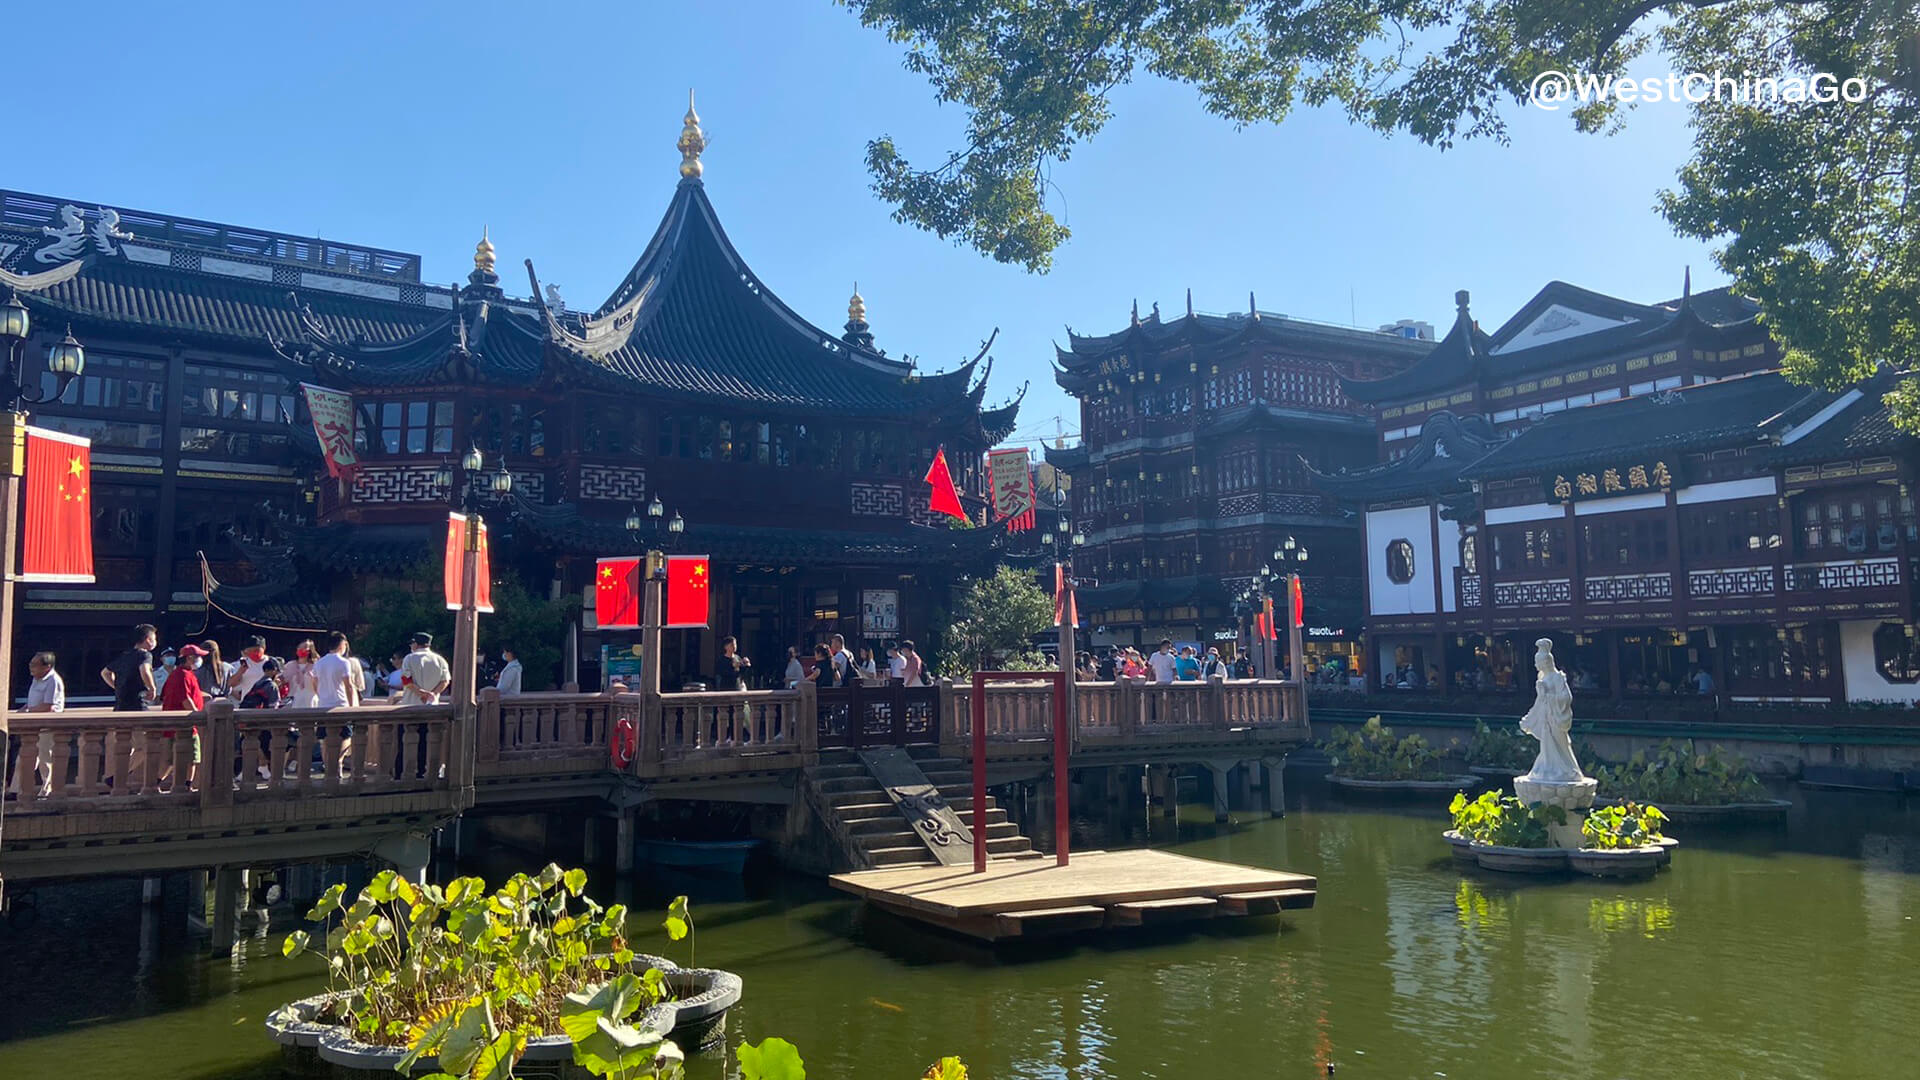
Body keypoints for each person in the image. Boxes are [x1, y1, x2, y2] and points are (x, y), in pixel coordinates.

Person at [10, 652, 65, 798]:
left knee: (45, 760)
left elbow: (49, 706)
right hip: (32, 726)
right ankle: (16, 790)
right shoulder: (36, 679)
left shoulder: (53, 680)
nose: (31, 667)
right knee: (24, 758)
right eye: (31, 664)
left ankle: (46, 791)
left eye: (34, 665)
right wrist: (21, 711)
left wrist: (28, 711)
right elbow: (34, 702)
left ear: (47, 667)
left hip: (47, 725)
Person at [101, 624, 158, 711]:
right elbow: (144, 670)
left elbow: (105, 672)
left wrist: (117, 686)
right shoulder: (145, 655)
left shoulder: (124, 655)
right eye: (154, 639)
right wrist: (152, 688)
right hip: (138, 703)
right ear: (148, 640)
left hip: (120, 705)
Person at [400, 633, 451, 705]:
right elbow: (445, 681)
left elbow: (406, 680)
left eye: (412, 643)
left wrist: (422, 694)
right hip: (432, 705)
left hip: (410, 705)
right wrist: (432, 695)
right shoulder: (440, 660)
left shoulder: (408, 658)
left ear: (416, 644)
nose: (410, 646)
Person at [284, 639, 319, 709]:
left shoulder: (316, 666)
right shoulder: (290, 665)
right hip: (294, 702)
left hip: (310, 702)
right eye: (299, 647)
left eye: (305, 647)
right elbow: (283, 681)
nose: (301, 649)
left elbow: (320, 688)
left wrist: (313, 679)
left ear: (310, 650)